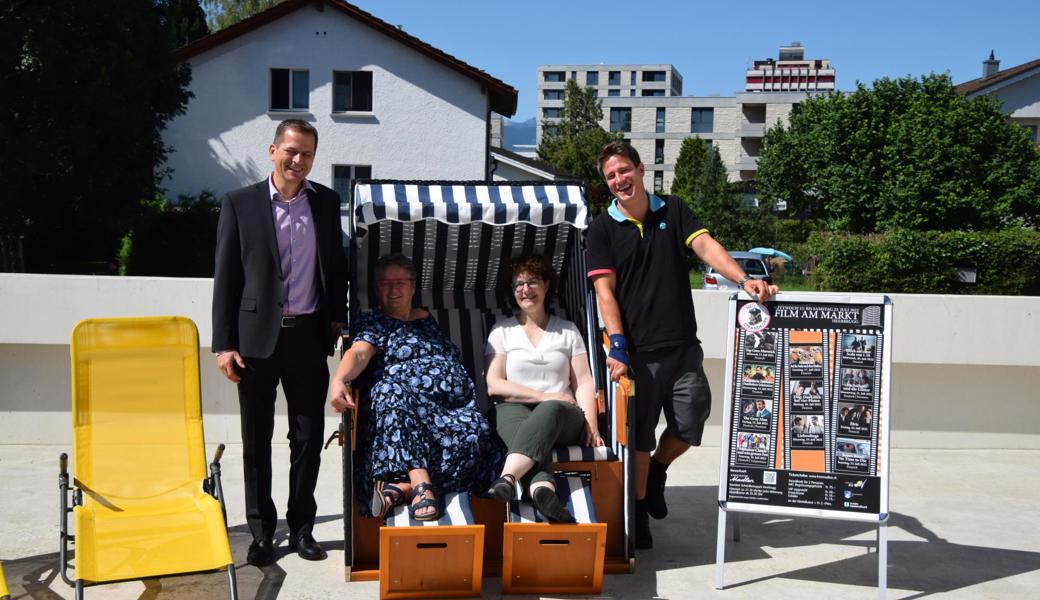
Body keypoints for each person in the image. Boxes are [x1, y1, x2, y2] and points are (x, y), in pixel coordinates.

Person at [586, 142, 778, 548]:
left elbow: (705, 246)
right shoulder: (601, 229)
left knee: (689, 427)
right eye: (611, 176)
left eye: (625, 170)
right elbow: (605, 292)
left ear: (640, 169)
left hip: (682, 348)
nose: (620, 180)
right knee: (638, 440)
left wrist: (744, 281)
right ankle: (638, 515)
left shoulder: (672, 209)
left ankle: (658, 471)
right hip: (636, 355)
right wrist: (617, 345)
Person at [212, 120, 346, 566]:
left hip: (308, 338)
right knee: (257, 439)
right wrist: (223, 344)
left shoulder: (326, 202)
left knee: (308, 437)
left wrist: (338, 321)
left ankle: (303, 527)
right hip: (254, 343)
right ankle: (262, 532)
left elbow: (336, 268)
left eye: (307, 154)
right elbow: (226, 277)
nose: (298, 161)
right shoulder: (240, 204)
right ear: (272, 151)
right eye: (291, 151)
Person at [328, 254, 504, 522]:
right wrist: (338, 379)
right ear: (377, 289)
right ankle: (421, 483)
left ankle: (401, 486)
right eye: (385, 283)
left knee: (475, 430)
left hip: (445, 410)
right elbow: (359, 353)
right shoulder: (374, 322)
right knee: (389, 390)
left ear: (412, 287)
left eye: (399, 282)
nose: (393, 289)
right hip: (400, 411)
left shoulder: (428, 320)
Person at [483, 255, 604, 523]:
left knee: (549, 409)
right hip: (515, 409)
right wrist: (543, 394)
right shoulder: (501, 332)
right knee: (507, 415)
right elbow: (494, 385)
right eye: (518, 285)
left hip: (563, 415)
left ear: (547, 285)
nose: (526, 290)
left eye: (533, 282)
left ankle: (508, 477)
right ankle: (542, 490)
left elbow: (583, 381)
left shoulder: (567, 331)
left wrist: (591, 423)